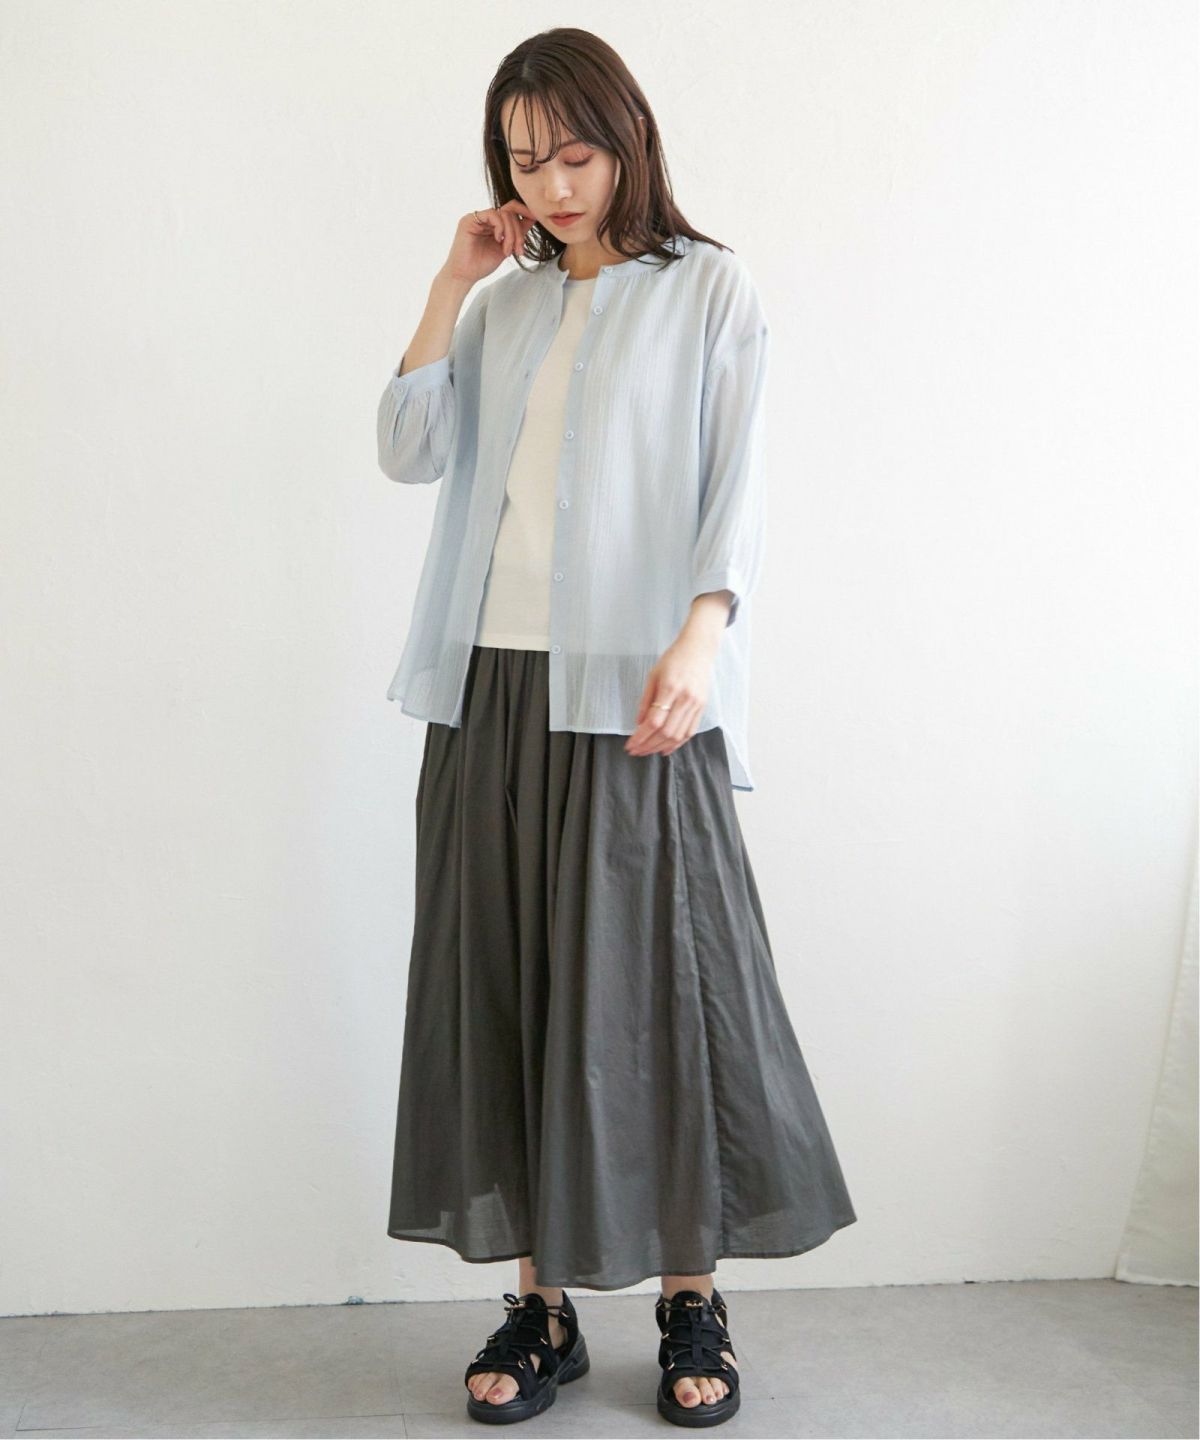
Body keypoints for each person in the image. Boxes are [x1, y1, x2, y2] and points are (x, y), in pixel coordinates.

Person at [376, 26, 857, 1428]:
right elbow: (407, 448)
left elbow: (735, 483)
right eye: (525, 160)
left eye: (574, 154)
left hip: (637, 693)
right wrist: (451, 283)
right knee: (515, 990)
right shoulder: (503, 307)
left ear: (628, 139)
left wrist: (705, 632)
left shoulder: (707, 288)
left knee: (660, 992)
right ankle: (541, 1308)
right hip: (491, 691)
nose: (553, 185)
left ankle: (690, 1298)